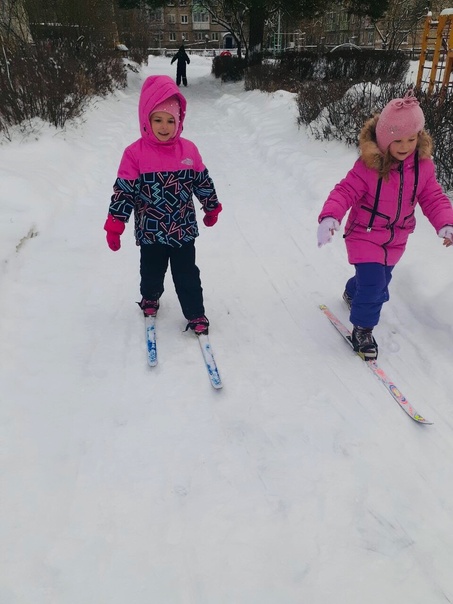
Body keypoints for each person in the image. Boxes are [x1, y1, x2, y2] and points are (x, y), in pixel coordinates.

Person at [317, 90, 453, 360]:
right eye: (397, 140)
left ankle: (352, 292)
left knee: (378, 280)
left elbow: (433, 197)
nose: (405, 146)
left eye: (411, 139)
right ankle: (363, 330)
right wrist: (330, 216)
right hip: (364, 234)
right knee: (375, 285)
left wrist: (446, 222)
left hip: (396, 239)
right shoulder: (367, 167)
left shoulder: (423, 167)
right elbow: (344, 191)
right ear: (383, 138)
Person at [103, 75, 222, 335]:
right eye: (157, 119)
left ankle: (195, 313)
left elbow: (202, 181)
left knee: (187, 274)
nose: (164, 127)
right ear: (146, 119)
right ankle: (150, 297)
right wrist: (115, 223)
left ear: (179, 121)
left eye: (171, 120)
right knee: (151, 271)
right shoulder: (134, 154)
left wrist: (211, 206)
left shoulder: (188, 151)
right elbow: (124, 191)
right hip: (151, 231)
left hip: (183, 229)